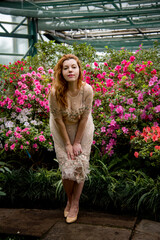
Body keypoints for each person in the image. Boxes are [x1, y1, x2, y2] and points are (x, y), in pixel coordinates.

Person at [49, 54, 94, 223]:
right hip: (61, 129)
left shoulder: (87, 90)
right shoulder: (55, 92)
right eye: (66, 68)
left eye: (73, 67)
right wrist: (68, 143)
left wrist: (77, 142)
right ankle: (69, 198)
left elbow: (84, 118)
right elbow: (58, 119)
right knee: (67, 169)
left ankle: (75, 204)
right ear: (61, 72)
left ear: (79, 69)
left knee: (80, 165)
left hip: (83, 128)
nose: (70, 71)